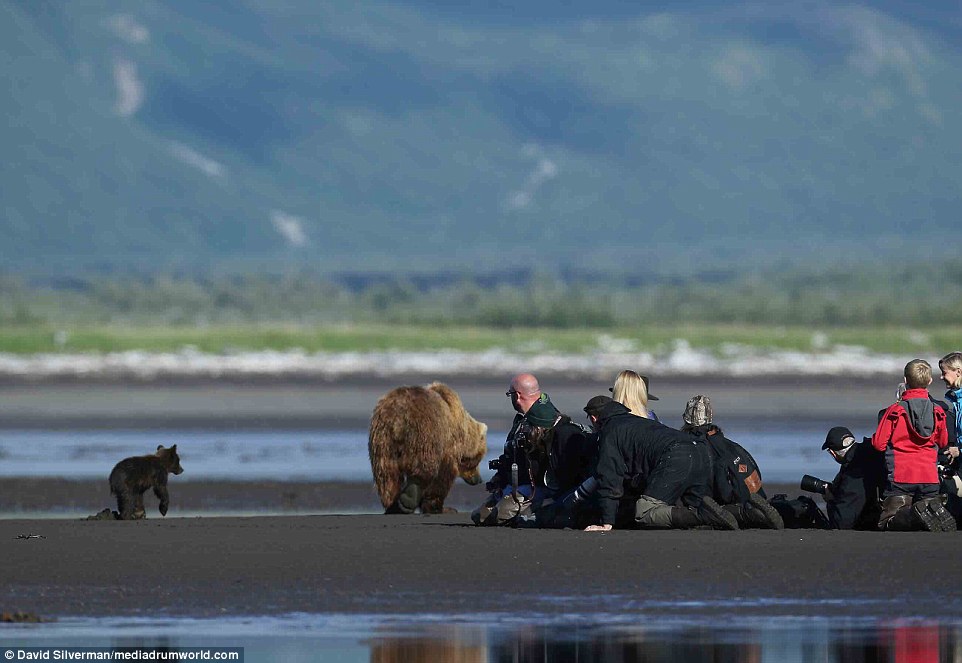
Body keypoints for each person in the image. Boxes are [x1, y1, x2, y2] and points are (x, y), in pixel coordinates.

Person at [582, 395, 738, 532]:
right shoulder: (637, 421)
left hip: (675, 454)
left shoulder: (610, 431)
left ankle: (703, 516)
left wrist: (607, 522)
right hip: (700, 449)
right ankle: (745, 512)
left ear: (594, 418)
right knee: (699, 506)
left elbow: (610, 477)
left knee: (644, 512)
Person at [872, 359, 954, 531]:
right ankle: (929, 508)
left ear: (905, 380)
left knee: (887, 521)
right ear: (930, 381)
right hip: (929, 475)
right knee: (926, 519)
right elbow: (943, 442)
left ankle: (916, 512)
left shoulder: (894, 411)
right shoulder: (938, 411)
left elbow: (879, 445)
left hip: (901, 476)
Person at [679, 395, 783, 529]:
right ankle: (768, 508)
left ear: (687, 419)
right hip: (755, 492)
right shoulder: (728, 444)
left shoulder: (699, 445)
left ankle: (752, 513)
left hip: (734, 502)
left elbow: (723, 491)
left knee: (710, 509)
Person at [471, 373, 558, 526]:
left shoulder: (544, 420)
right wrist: (500, 477)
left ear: (517, 395)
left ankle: (541, 508)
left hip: (537, 487)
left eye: (510, 394)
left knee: (497, 516)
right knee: (479, 516)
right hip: (517, 483)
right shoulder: (522, 420)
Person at [517, 400, 599, 528]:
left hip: (582, 490)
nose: (529, 432)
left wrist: (554, 500)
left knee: (544, 516)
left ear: (539, 427)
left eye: (531, 427)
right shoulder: (552, 436)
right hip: (570, 488)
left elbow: (572, 476)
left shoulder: (565, 436)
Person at [818, 426, 886, 530]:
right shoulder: (870, 451)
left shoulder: (853, 472)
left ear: (833, 453)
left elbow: (841, 523)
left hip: (875, 521)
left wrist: (830, 500)